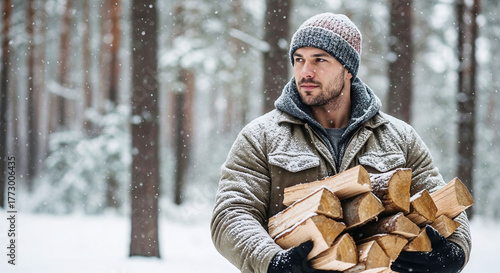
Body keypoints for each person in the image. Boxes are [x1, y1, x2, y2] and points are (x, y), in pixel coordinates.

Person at [210, 12, 471, 273]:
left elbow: (443, 205)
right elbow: (232, 213)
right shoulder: (261, 136)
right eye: (299, 60)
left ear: (348, 69)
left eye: (319, 60)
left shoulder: (400, 138)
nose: (305, 71)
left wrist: (455, 252)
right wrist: (272, 262)